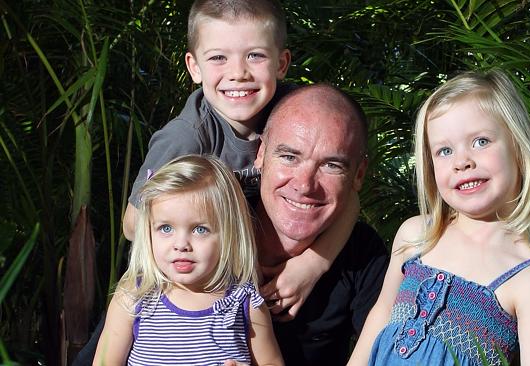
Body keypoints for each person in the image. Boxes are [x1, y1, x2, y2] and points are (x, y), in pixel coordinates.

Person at [122, 0, 358, 320]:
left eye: (255, 55)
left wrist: (312, 265)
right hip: (185, 288)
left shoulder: (297, 116)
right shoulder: (186, 139)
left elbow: (349, 201)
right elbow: (134, 225)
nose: (238, 73)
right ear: (194, 67)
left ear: (281, 63)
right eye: (218, 57)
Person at [348, 70, 530, 366]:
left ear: (517, 146)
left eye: (481, 141)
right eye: (445, 150)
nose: (462, 162)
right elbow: (381, 314)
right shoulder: (417, 236)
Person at [93, 155, 283, 365]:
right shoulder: (134, 295)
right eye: (166, 228)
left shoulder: (244, 302)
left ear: (230, 234)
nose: (181, 244)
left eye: (200, 229)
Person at [251, 84, 389, 365]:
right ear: (261, 154)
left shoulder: (363, 254)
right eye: (289, 157)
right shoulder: (211, 223)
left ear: (358, 175)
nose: (304, 185)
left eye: (331, 166)